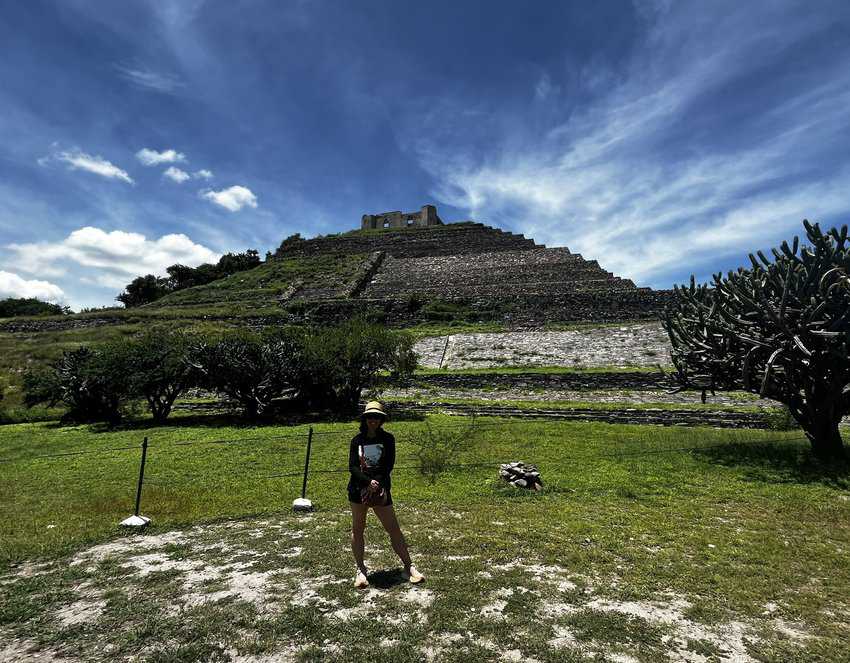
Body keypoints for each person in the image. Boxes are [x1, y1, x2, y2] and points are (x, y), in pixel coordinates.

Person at [348, 400, 424, 588]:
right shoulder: (356, 441)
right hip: (358, 490)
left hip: (381, 489)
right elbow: (352, 466)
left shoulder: (388, 439)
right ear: (365, 419)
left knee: (393, 529)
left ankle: (409, 567)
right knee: (358, 529)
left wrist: (377, 483)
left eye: (377, 417)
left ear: (381, 420)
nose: (373, 420)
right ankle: (360, 569)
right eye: (370, 417)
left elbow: (388, 464)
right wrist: (367, 482)